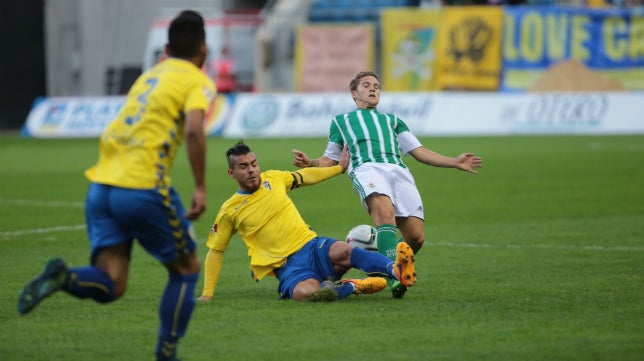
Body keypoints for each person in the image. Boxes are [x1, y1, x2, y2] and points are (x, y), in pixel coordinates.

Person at [16, 10, 216, 361]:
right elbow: (195, 129)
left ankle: (65, 278)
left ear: (166, 48)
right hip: (141, 188)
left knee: (112, 284)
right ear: (203, 50)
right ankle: (167, 354)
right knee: (186, 269)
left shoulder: (148, 77)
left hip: (101, 187)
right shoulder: (196, 80)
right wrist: (200, 186)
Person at [292, 71, 483, 298]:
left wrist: (453, 161)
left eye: (377, 86)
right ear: (354, 93)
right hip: (368, 169)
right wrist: (311, 162)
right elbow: (331, 158)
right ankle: (395, 277)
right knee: (385, 215)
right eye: (367, 85)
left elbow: (419, 152)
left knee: (415, 237)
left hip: (399, 171)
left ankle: (389, 267)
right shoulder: (341, 121)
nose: (373, 89)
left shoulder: (392, 120)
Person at [198, 141, 417, 302]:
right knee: (305, 294)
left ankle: (395, 270)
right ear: (231, 173)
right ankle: (351, 286)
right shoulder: (230, 210)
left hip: (311, 246)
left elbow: (307, 176)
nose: (252, 170)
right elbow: (216, 251)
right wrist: (207, 294)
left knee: (344, 251)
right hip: (288, 267)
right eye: (244, 166)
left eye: (254, 164)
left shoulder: (274, 178)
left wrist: (338, 169)